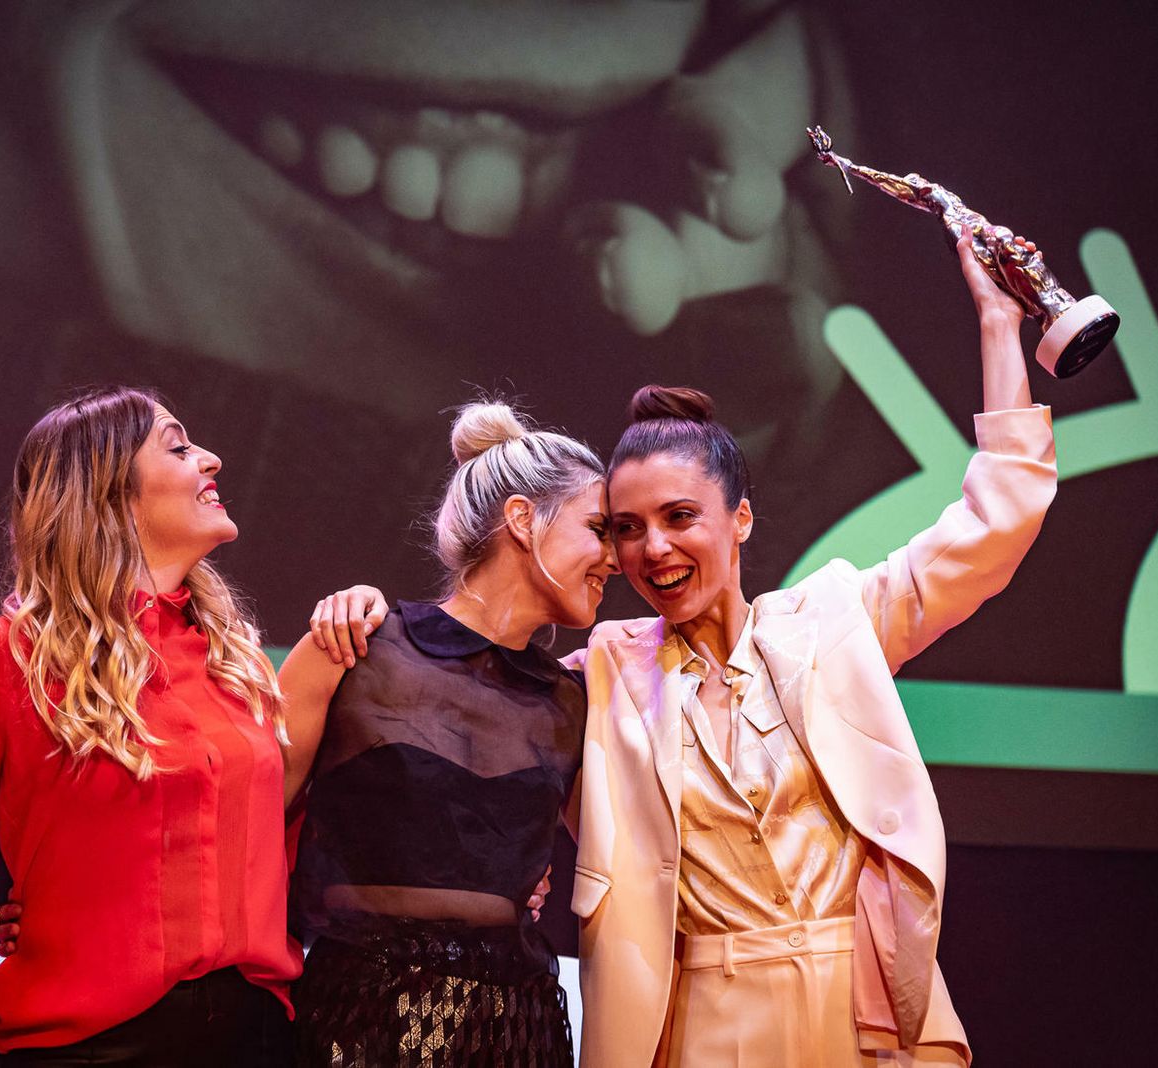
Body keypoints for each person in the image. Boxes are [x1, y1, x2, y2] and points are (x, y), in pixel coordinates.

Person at [572, 232, 1056, 1066]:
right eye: (627, 529)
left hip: (856, 1016)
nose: (652, 548)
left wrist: (995, 321)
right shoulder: (609, 669)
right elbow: (477, 685)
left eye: (680, 517)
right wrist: (372, 618)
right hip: (700, 1026)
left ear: (741, 520)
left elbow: (994, 524)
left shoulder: (833, 620)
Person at [0, 386, 303, 1065]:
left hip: (253, 1034)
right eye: (177, 447)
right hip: (89, 1046)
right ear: (108, 493)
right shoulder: (6, 656)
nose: (210, 459)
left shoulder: (235, 659)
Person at [279, 400, 617, 1066]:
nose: (616, 559)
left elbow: (643, 868)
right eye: (600, 530)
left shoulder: (573, 703)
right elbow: (234, 830)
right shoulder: (352, 649)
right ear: (523, 520)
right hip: (358, 1022)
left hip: (521, 1030)